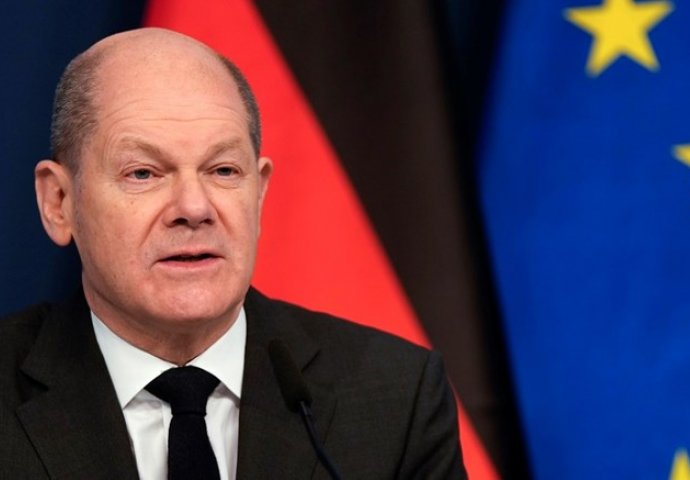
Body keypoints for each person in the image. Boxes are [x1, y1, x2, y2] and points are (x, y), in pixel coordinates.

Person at [0, 28, 466, 479]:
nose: (194, 208)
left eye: (223, 170)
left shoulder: (395, 397)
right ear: (59, 202)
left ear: (258, 194)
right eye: (143, 173)